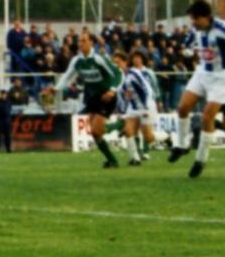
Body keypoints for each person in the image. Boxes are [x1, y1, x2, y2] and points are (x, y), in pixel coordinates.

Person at [166, 0, 225, 178]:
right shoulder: (197, 28)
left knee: (207, 116)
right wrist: (186, 49)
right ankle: (181, 145)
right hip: (202, 72)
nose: (193, 23)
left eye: (195, 19)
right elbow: (189, 41)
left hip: (221, 77)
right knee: (182, 108)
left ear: (205, 17)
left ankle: (201, 159)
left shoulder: (222, 28)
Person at [52, 32, 122, 169]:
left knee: (96, 130)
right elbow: (67, 77)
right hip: (92, 96)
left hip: (106, 96)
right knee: (95, 134)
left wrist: (113, 90)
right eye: (79, 41)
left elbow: (118, 73)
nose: (81, 43)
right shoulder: (77, 60)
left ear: (91, 43)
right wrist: (55, 89)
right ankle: (112, 160)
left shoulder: (99, 59)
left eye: (84, 41)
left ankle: (120, 125)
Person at [114, 50, 156, 166]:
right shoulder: (122, 78)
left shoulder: (134, 73)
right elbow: (123, 95)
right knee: (128, 131)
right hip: (133, 108)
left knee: (148, 137)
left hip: (145, 106)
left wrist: (146, 108)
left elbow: (146, 89)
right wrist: (121, 112)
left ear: (125, 62)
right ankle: (135, 159)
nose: (117, 66)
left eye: (119, 63)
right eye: (115, 63)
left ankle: (167, 138)